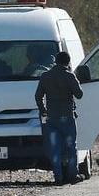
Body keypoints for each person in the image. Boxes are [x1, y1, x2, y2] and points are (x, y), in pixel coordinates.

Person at [35, 51, 84, 185]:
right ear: (68, 62)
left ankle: (58, 178)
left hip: (51, 118)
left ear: (55, 61)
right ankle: (72, 175)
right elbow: (79, 94)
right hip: (67, 117)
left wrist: (43, 110)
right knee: (70, 147)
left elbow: (38, 96)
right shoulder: (69, 76)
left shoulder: (45, 76)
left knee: (54, 148)